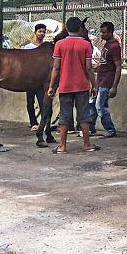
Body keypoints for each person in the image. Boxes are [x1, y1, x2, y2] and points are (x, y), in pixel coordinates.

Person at [46, 16, 99, 154]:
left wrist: (52, 86)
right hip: (82, 85)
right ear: (81, 28)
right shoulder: (86, 45)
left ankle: (62, 146)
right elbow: (89, 68)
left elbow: (56, 68)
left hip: (65, 85)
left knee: (64, 116)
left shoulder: (59, 45)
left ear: (67, 29)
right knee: (83, 116)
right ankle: (87, 144)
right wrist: (94, 85)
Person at [90, 21, 122, 138]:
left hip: (107, 81)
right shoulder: (107, 45)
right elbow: (104, 63)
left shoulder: (114, 46)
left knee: (100, 105)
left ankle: (110, 129)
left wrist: (114, 86)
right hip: (100, 79)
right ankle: (90, 128)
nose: (102, 35)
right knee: (93, 103)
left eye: (104, 32)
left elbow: (118, 66)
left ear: (110, 32)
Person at [22, 23, 48, 131]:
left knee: (43, 102)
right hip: (30, 79)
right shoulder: (28, 47)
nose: (42, 34)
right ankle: (33, 123)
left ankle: (44, 123)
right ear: (35, 32)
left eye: (43, 32)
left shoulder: (46, 47)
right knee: (30, 102)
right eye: (40, 31)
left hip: (42, 80)